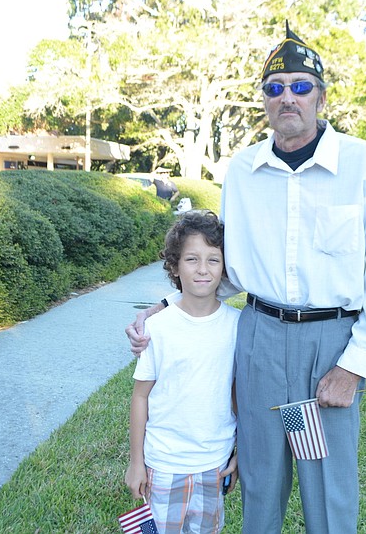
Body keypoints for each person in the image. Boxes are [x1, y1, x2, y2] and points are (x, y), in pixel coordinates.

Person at [127, 22, 366, 533]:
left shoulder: (361, 164)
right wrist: (165, 308)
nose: (288, 98)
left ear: (320, 95)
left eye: (300, 86)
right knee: (260, 477)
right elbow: (227, 273)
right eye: (275, 88)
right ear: (265, 100)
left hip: (327, 350)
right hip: (262, 343)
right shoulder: (244, 171)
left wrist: (355, 365)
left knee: (325, 481)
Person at [125, 210, 240, 533]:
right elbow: (140, 397)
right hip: (164, 464)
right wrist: (137, 463)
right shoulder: (157, 328)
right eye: (192, 259)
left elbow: (237, 394)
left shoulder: (236, 326)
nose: (203, 269)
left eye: (213, 260)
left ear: (225, 268)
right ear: (174, 267)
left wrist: (239, 450)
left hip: (214, 463)